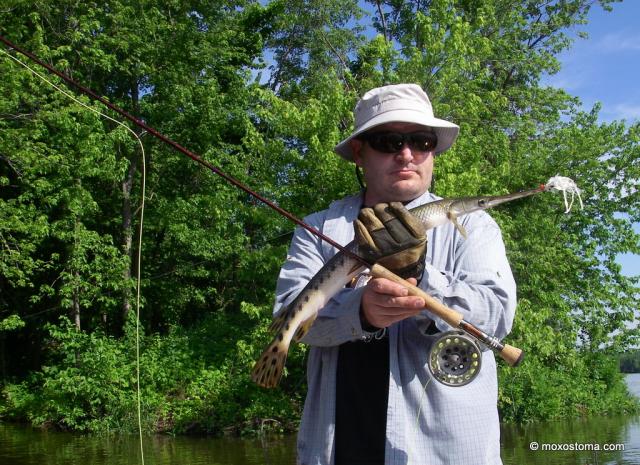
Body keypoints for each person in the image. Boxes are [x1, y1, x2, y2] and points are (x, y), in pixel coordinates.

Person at [273, 84, 517, 465]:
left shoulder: (476, 226)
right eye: (388, 141)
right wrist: (362, 312)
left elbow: (497, 316)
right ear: (359, 152)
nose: (407, 154)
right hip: (337, 450)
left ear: (433, 151)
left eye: (421, 141)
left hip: (445, 454)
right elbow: (290, 315)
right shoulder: (318, 228)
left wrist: (420, 274)